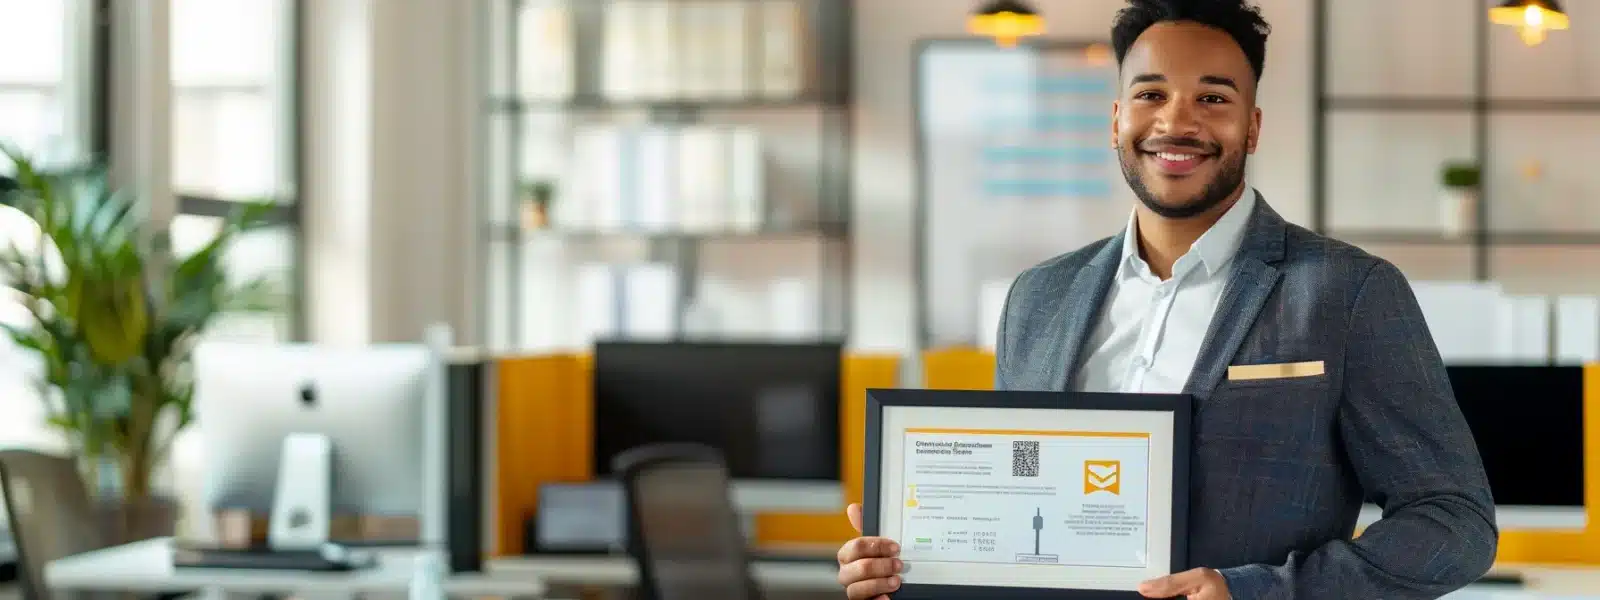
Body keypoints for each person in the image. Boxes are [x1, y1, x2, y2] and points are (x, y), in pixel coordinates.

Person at [835, 0, 1500, 598]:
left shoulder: (1346, 291)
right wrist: (914, 564)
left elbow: (1454, 522)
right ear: (1118, 119)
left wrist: (1262, 593)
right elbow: (1016, 517)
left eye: (1213, 99)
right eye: (1151, 94)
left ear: (1253, 126)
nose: (1177, 121)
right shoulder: (1038, 298)